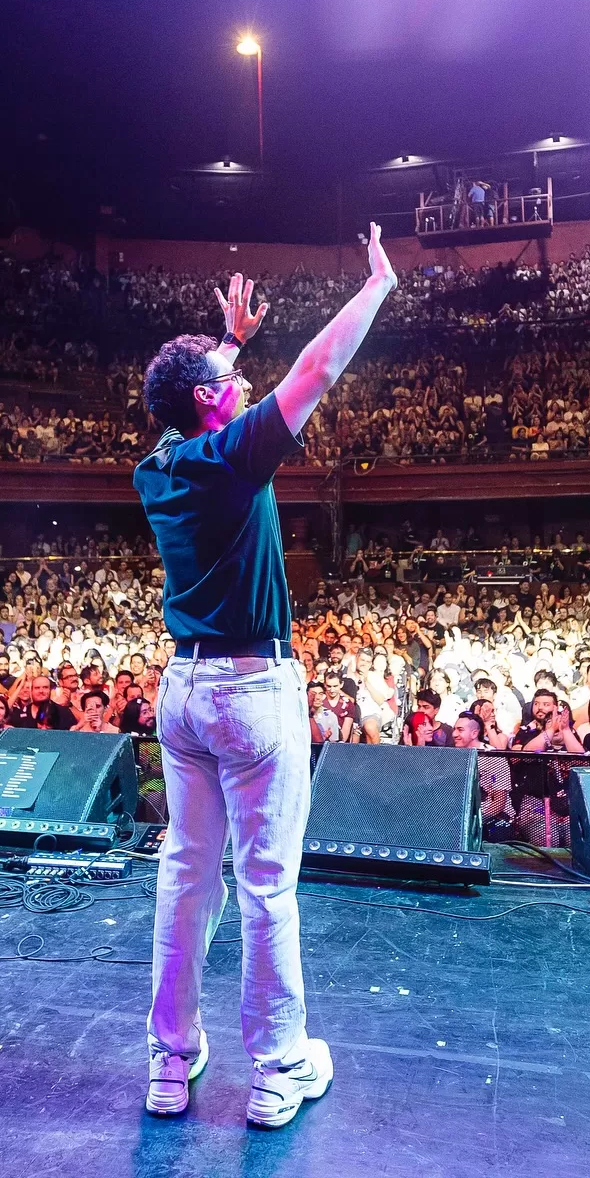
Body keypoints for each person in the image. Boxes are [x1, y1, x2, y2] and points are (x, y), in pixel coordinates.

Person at [133, 231, 397, 1127]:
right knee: (267, 885)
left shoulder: (158, 468)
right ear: (211, 401)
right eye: (229, 377)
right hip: (252, 693)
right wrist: (376, 288)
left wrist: (228, 346)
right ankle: (281, 1066)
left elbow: (202, 407)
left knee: (186, 876)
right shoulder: (236, 454)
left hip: (183, 695)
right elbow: (316, 370)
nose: (244, 384)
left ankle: (172, 1063)